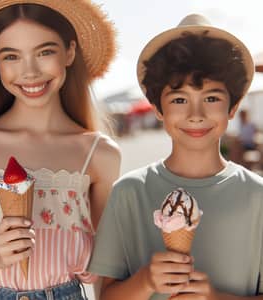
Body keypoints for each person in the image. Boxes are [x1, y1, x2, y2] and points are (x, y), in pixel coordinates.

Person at [88, 14, 263, 300]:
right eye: (179, 100)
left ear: (233, 107)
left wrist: (216, 298)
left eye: (212, 98)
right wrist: (145, 281)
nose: (196, 115)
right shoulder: (129, 192)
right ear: (158, 109)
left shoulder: (258, 196)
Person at [0, 1, 121, 299]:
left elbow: (106, 273)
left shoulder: (100, 154)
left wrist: (97, 266)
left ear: (70, 52)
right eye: (11, 56)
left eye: (45, 52)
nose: (30, 71)